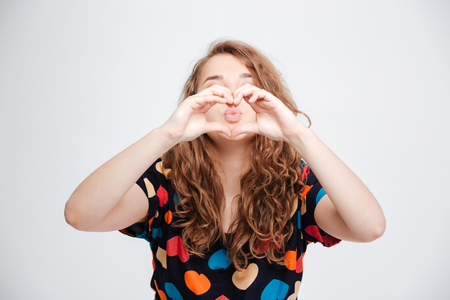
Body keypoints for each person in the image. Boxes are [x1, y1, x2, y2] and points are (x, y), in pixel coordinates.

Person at [65, 40, 385, 299]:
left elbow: (369, 228)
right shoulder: (165, 178)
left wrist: (298, 134)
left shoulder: (296, 183)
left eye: (248, 85)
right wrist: (167, 134)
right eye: (214, 86)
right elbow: (81, 216)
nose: (232, 97)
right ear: (195, 102)